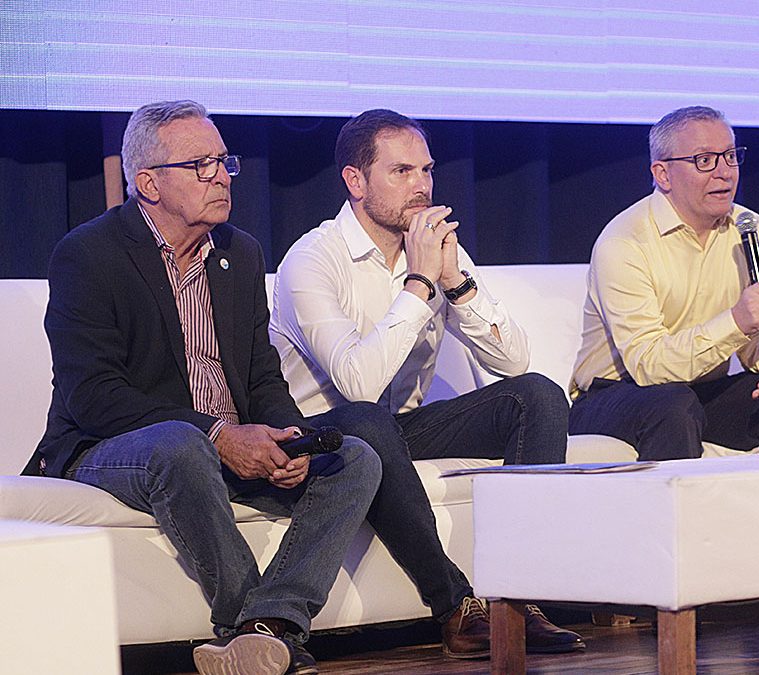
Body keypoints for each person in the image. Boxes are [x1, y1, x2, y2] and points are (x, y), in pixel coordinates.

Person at [29, 100, 383, 675]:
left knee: (355, 459)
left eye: (224, 161)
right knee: (179, 443)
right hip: (110, 448)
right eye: (201, 165)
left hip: (216, 444)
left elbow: (261, 374)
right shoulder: (87, 255)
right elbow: (94, 397)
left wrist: (283, 436)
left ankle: (263, 629)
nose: (221, 175)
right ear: (147, 183)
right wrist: (219, 435)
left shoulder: (239, 253)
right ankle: (248, 622)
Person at [269, 109, 584, 658]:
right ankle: (455, 604)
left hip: (398, 428)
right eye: (401, 172)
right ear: (355, 181)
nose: (421, 186)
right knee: (366, 420)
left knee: (536, 394)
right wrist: (418, 283)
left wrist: (455, 281)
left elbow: (514, 364)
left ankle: (520, 597)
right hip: (321, 433)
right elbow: (358, 386)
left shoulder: (438, 251)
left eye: (427, 171)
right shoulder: (312, 259)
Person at [568, 106, 759, 459]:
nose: (724, 172)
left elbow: (756, 330)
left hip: (698, 390)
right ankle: (679, 515)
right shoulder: (625, 243)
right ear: (663, 174)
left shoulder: (750, 229)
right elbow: (648, 366)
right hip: (614, 395)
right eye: (705, 160)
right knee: (673, 404)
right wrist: (737, 321)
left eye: (730, 156)